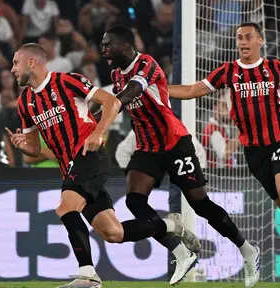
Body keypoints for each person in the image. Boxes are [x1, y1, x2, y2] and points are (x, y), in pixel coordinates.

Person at [6, 43, 197, 288]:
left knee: (65, 209)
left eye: (15, 63)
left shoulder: (67, 81)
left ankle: (88, 275)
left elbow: (111, 101)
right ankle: (173, 228)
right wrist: (22, 145)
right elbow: (33, 150)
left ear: (31, 62)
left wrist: (99, 133)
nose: (12, 69)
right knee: (113, 233)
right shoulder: (25, 103)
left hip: (89, 156)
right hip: (70, 167)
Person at [167, 21, 280, 282]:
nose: (243, 42)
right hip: (253, 152)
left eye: (248, 37)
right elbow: (191, 90)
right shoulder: (228, 72)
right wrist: (157, 90)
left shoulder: (278, 69)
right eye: (239, 37)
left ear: (260, 41)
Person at [100, 24, 260, 288]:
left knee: (201, 205)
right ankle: (181, 253)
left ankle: (247, 251)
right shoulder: (116, 73)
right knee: (135, 201)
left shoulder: (147, 65)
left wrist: (99, 122)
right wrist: (94, 123)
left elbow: (127, 96)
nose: (103, 49)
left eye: (108, 44)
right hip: (147, 148)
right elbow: (116, 105)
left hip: (175, 143)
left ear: (125, 45)